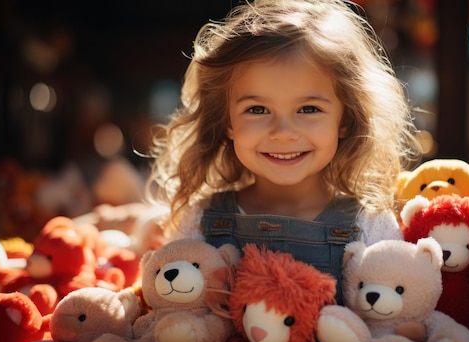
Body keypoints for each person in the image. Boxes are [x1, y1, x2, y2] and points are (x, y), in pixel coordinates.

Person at [146, 0, 421, 300]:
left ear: (345, 119)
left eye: (308, 108)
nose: (283, 133)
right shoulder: (199, 219)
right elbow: (170, 308)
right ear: (227, 121)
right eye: (258, 109)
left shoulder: (370, 225)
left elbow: (398, 315)